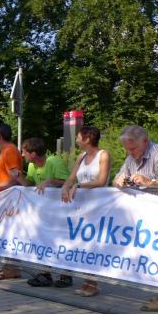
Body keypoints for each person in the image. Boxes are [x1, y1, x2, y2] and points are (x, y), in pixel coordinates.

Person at [113, 125, 158, 311]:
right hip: (147, 216)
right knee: (156, 256)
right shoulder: (131, 157)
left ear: (145, 141)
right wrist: (119, 181)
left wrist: (150, 182)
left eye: (133, 148)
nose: (130, 153)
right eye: (127, 149)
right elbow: (118, 176)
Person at [60, 126, 112, 296]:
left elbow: (101, 180)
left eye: (79, 137)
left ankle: (93, 283)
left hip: (98, 206)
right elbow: (71, 177)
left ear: (88, 139)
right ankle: (87, 281)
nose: (76, 140)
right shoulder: (81, 156)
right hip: (82, 207)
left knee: (93, 244)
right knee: (83, 244)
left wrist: (79, 185)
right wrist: (66, 186)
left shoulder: (103, 155)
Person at [16, 137, 72, 288]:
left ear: (33, 154)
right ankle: (46, 273)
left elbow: (70, 182)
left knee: (61, 241)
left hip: (62, 210)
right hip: (45, 211)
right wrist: (19, 177)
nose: (22, 155)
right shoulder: (32, 166)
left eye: (24, 152)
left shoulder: (54, 161)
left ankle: (66, 275)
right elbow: (29, 184)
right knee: (45, 239)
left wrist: (51, 181)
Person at [0, 123, 23, 280]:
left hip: (10, 200)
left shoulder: (10, 151)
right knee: (4, 234)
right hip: (4, 199)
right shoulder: (6, 151)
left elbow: (15, 178)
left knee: (10, 233)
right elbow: (7, 177)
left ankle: (10, 268)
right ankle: (8, 267)